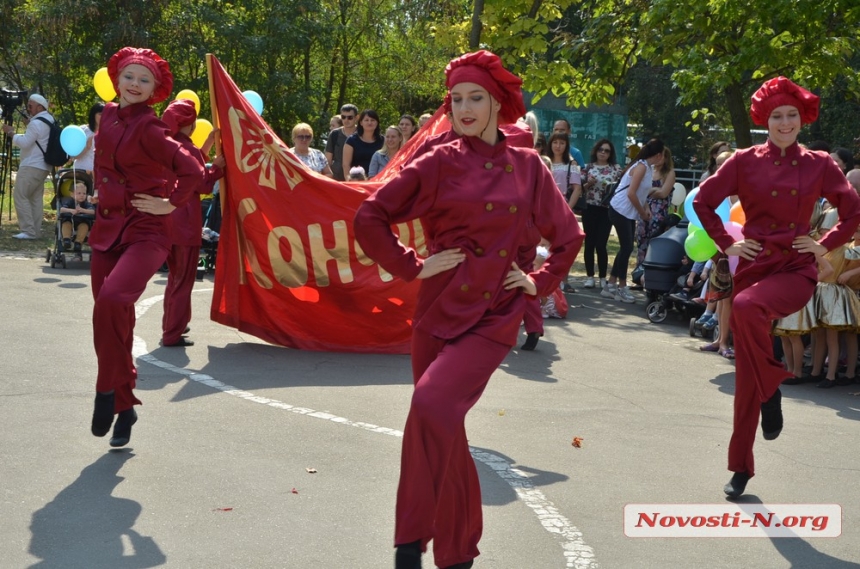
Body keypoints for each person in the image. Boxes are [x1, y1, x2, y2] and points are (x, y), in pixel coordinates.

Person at [353, 50, 583, 569]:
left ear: (498, 103)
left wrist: (538, 282)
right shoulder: (436, 159)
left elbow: (568, 236)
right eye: (456, 100)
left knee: (432, 405)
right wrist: (412, 266)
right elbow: (370, 216)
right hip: (436, 310)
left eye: (475, 97)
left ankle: (408, 541)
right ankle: (457, 553)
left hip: (494, 314)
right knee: (444, 425)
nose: (464, 108)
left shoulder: (527, 167)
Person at [693, 76, 860, 499]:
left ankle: (772, 385)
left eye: (791, 116)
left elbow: (852, 211)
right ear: (764, 121)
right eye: (776, 117)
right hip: (753, 265)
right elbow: (701, 200)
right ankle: (741, 467)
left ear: (802, 119)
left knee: (746, 308)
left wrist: (823, 244)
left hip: (796, 270)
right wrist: (729, 241)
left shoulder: (820, 163)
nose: (784, 123)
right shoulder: (744, 161)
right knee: (746, 377)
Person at [88, 47, 206, 448]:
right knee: (114, 322)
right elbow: (105, 164)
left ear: (156, 89)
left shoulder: (152, 129)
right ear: (117, 79)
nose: (135, 84)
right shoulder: (106, 114)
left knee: (112, 300)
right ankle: (125, 407)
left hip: (146, 231)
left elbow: (195, 170)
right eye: (130, 77)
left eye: (145, 80)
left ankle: (106, 389)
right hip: (107, 230)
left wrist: (170, 202)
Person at [157, 98, 226, 348]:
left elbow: (189, 166)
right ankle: (172, 332)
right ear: (190, 123)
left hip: (166, 220)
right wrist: (217, 168)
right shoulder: (187, 149)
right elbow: (202, 183)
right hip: (185, 221)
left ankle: (172, 324)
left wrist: (206, 146)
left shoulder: (164, 146)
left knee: (174, 277)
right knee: (183, 279)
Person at [601, 139, 665, 303]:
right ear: (658, 155)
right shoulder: (641, 166)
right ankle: (621, 287)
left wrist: (646, 209)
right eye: (663, 154)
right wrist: (642, 213)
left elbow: (641, 192)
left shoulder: (648, 167)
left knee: (625, 248)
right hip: (620, 209)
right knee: (627, 247)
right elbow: (631, 193)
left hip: (629, 213)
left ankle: (610, 285)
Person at [1, 93, 54, 239]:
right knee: (35, 199)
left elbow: (25, 143)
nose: (28, 108)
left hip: (31, 165)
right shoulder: (49, 120)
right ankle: (34, 231)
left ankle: (28, 231)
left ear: (39, 106)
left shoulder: (36, 123)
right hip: (43, 166)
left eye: (30, 105)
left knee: (21, 195)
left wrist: (11, 133)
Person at [580, 139, 623, 289]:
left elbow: (621, 188)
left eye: (607, 151)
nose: (603, 153)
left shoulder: (616, 169)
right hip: (590, 208)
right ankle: (590, 276)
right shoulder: (587, 167)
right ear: (596, 151)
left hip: (606, 209)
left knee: (601, 243)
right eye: (601, 150)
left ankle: (603, 277)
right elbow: (580, 189)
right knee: (589, 243)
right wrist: (588, 184)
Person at [635, 146, 676, 266]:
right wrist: (654, 190)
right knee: (641, 241)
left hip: (659, 213)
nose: (658, 158)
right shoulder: (647, 170)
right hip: (643, 209)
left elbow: (663, 193)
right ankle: (639, 271)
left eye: (661, 155)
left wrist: (648, 190)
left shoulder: (669, 173)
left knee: (654, 241)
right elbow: (638, 190)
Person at [342, 109, 383, 179]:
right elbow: (346, 165)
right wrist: (349, 183)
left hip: (377, 181)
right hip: (356, 181)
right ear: (361, 123)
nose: (369, 122)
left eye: (372, 120)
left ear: (377, 123)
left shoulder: (383, 141)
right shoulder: (351, 140)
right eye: (366, 120)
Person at [58, 181, 95, 258]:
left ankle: (78, 243)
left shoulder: (86, 203)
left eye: (84, 193)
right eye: (79, 193)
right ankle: (66, 239)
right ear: (72, 194)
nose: (82, 195)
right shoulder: (69, 201)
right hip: (70, 221)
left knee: (84, 226)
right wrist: (71, 210)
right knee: (66, 224)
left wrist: (83, 210)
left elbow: (93, 211)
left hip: (82, 222)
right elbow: (62, 209)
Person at [543, 132, 581, 202]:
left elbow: (577, 189)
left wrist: (567, 209)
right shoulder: (543, 162)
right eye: (555, 142)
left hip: (562, 203)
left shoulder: (572, 164)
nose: (558, 146)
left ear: (566, 146)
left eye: (562, 143)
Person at [324, 103, 358, 181]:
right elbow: (328, 159)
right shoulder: (334, 134)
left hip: (356, 179)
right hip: (336, 179)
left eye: (350, 117)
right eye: (343, 117)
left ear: (356, 118)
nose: (346, 120)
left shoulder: (362, 134)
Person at [73, 102, 105, 173]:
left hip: (99, 174)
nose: (103, 117)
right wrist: (87, 147)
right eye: (100, 114)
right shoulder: (83, 131)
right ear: (93, 115)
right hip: (81, 172)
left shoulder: (108, 133)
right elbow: (74, 156)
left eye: (105, 115)